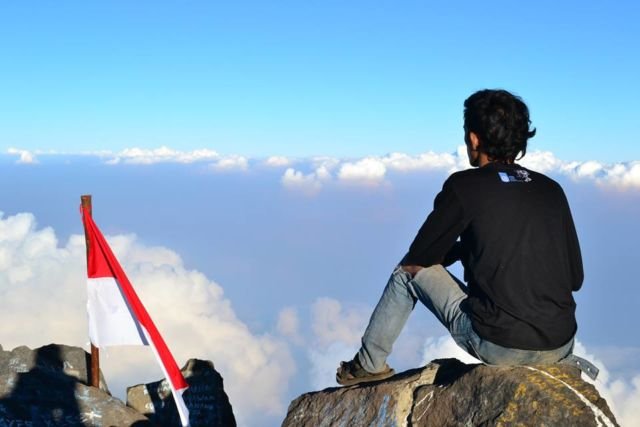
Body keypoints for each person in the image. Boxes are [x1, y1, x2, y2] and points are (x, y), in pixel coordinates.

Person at [336, 89, 591, 386]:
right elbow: (575, 279)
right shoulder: (551, 190)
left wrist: (459, 248)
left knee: (406, 274)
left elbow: (420, 257)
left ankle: (368, 364)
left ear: (474, 138)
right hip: (560, 343)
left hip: (499, 344)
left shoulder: (465, 187)